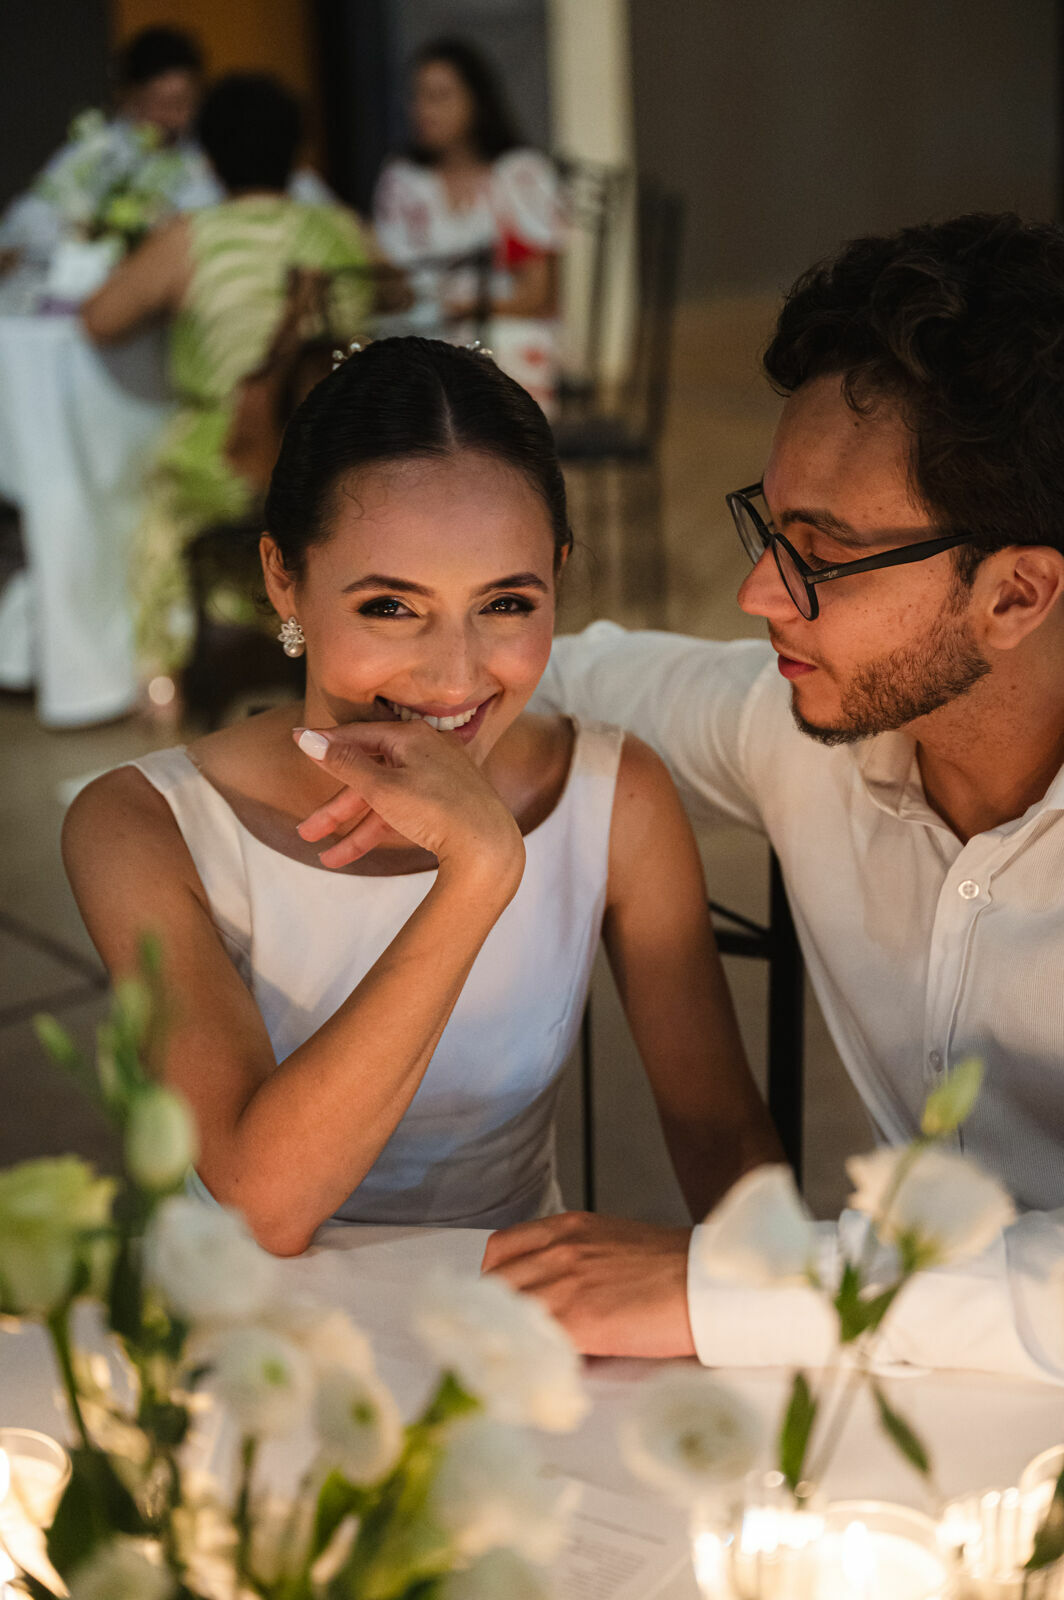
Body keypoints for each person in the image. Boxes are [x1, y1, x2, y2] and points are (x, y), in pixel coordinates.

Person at [483, 212, 1064, 1385]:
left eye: (820, 552)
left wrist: (737, 1288)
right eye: (769, 525)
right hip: (922, 1417)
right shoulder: (810, 729)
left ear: (1014, 594)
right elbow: (565, 666)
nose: (757, 592)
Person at [62, 335, 779, 1257]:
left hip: (508, 1334)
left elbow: (721, 1137)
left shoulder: (615, 795)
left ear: (556, 575)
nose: (454, 676)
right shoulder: (140, 824)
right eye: (390, 607)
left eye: (507, 604)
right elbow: (264, 1208)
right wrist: (477, 874)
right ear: (285, 577)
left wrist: (790, 1333)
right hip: (241, 1338)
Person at [81, 73, 374, 690]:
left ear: (207, 156)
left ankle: (163, 675)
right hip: (342, 444)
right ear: (297, 153)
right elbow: (399, 293)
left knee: (156, 503)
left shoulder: (192, 237)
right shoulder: (339, 229)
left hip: (227, 453)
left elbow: (100, 319)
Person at [373, 37, 562, 413]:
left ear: (477, 101)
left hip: (499, 329)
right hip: (418, 330)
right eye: (417, 97)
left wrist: (465, 309)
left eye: (440, 97)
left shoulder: (519, 174)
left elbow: (538, 291)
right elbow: (387, 277)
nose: (423, 110)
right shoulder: (402, 179)